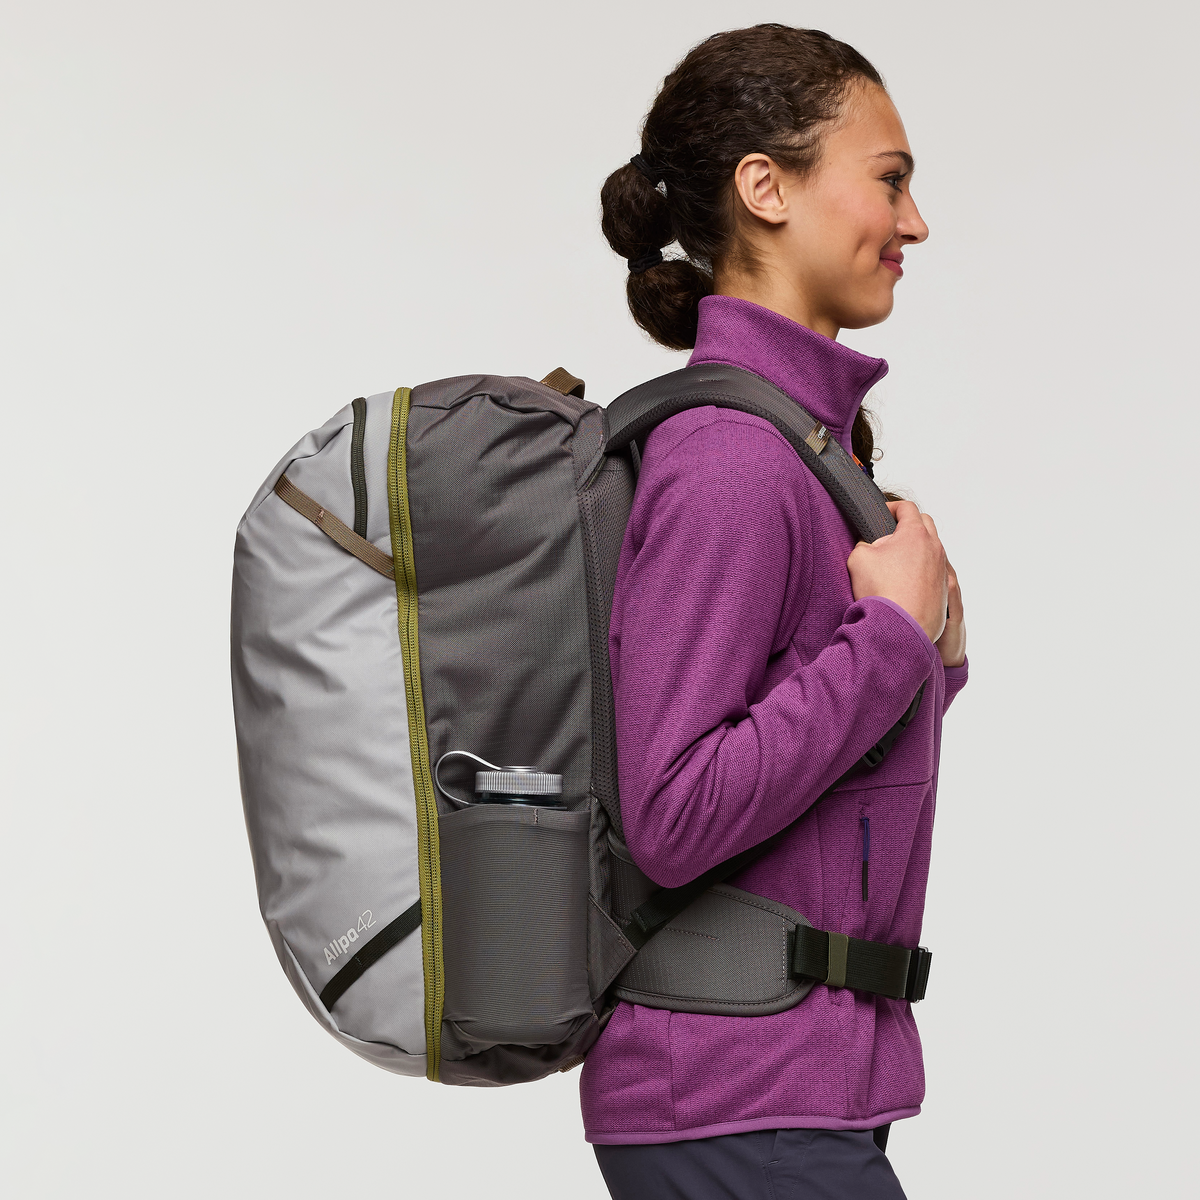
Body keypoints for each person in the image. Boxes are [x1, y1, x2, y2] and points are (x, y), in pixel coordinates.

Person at [581, 25, 968, 1199]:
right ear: (767, 188)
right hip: (736, 1098)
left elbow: (823, 788)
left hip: (787, 1094)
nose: (914, 222)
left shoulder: (799, 450)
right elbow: (673, 810)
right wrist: (888, 644)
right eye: (889, 180)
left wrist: (927, 655)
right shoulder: (733, 464)